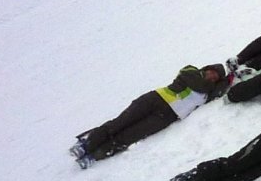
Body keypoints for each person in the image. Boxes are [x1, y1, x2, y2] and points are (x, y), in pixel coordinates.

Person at [72, 64, 228, 166]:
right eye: (212, 72)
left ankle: (95, 155)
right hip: (155, 99)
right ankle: (87, 144)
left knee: (129, 136)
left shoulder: (208, 93)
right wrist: (212, 85)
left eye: (216, 78)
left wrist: (226, 80)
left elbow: (220, 91)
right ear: (207, 68)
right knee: (120, 123)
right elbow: (198, 85)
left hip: (165, 117)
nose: (212, 77)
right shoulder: (191, 71)